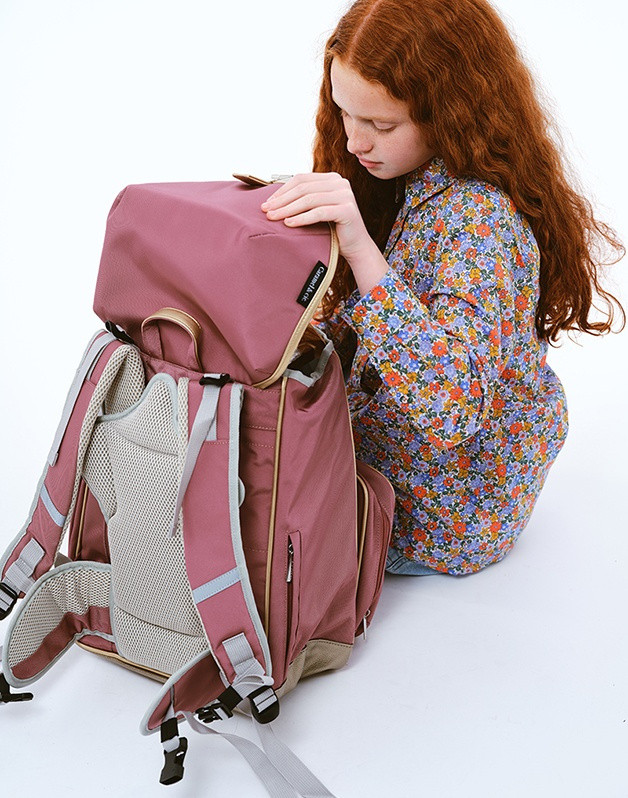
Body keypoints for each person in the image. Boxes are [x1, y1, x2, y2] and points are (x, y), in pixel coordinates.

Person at [260, 0, 624, 576]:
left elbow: (451, 407)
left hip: (443, 513)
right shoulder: (407, 184)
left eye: (381, 125)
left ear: (451, 112)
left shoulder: (480, 221)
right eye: (344, 113)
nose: (355, 141)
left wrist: (359, 251)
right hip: (394, 465)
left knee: (227, 510)